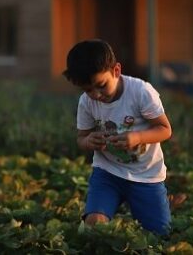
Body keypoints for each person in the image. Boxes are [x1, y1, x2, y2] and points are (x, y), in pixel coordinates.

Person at [63, 39, 173, 235]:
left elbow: (165, 129)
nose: (96, 95)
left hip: (146, 175)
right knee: (94, 226)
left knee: (159, 235)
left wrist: (137, 137)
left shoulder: (141, 92)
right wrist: (89, 141)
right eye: (88, 90)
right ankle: (95, 221)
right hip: (108, 172)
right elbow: (81, 138)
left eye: (101, 85)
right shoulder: (86, 103)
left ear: (116, 70)